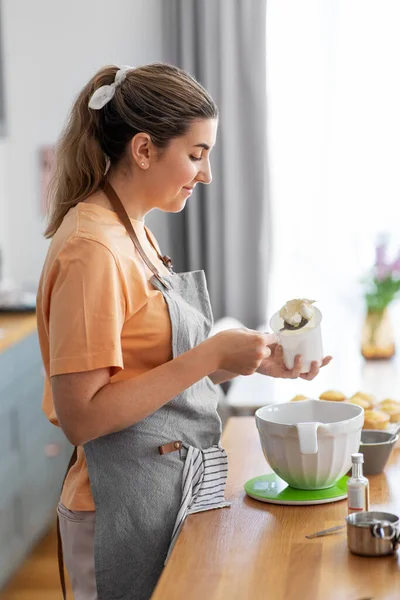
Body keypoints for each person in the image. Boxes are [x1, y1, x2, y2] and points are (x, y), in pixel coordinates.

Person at [36, 63, 332, 600]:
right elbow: (82, 417)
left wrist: (250, 359)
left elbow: (149, 368)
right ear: (144, 150)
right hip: (118, 508)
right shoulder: (93, 250)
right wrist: (206, 356)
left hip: (165, 491)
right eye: (196, 155)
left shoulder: (133, 232)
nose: (207, 174)